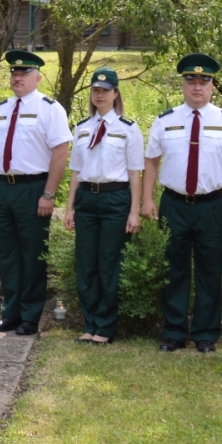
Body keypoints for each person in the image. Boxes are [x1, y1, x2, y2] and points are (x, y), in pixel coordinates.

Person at [141, 54, 222, 353]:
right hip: (173, 204)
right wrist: (147, 199)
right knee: (173, 269)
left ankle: (205, 334)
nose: (197, 87)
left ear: (212, 86)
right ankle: (174, 333)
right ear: (183, 84)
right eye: (191, 81)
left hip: (211, 206)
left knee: (209, 270)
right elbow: (150, 161)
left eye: (204, 81)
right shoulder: (166, 120)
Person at [0, 50, 71, 337]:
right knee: (7, 254)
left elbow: (60, 151)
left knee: (32, 254)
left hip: (34, 188)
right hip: (5, 188)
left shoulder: (49, 108)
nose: (17, 78)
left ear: (37, 77)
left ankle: (30, 317)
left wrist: (49, 193)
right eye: (14, 74)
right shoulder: (1, 109)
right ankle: (11, 313)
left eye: (24, 74)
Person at [62, 67, 143, 344]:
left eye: (105, 90)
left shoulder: (128, 129)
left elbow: (135, 173)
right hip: (87, 199)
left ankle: (105, 327)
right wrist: (69, 207)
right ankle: (90, 323)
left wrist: (134, 210)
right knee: (87, 264)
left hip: (115, 199)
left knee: (109, 263)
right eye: (96, 90)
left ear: (115, 93)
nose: (100, 95)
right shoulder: (82, 128)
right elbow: (75, 170)